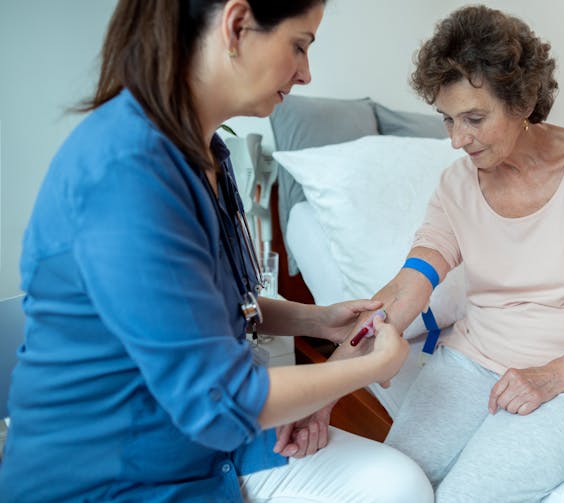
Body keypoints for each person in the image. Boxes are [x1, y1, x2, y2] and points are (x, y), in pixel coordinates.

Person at [0, 1, 434, 502]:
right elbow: (217, 398)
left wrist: (316, 320)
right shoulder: (126, 175)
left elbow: (209, 306)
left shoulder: (205, 154)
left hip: (210, 446)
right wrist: (366, 370)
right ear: (236, 24)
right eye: (300, 45)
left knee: (397, 486)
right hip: (113, 473)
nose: (306, 73)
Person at [340, 5, 564, 502]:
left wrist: (552, 377)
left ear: (523, 99)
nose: (456, 140)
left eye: (473, 118)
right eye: (447, 120)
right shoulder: (456, 186)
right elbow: (411, 282)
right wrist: (327, 385)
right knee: (392, 485)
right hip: (470, 359)